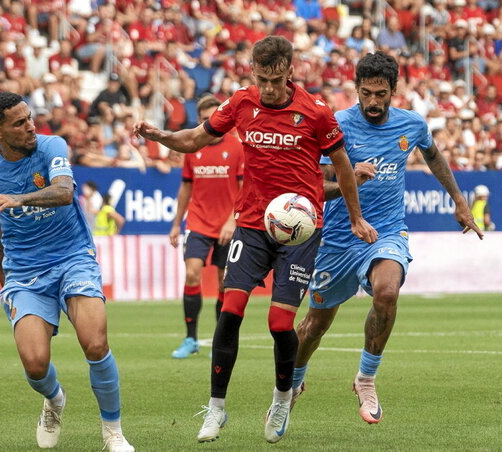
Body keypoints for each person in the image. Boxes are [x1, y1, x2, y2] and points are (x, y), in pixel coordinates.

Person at [134, 36, 376, 444]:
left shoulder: (316, 113)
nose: (266, 88)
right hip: (252, 223)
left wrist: (355, 217)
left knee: (280, 322)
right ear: (253, 72)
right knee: (230, 310)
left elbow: (342, 167)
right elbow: (195, 139)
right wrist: (160, 136)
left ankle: (282, 398)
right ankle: (216, 409)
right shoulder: (241, 103)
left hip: (301, 230)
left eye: (274, 80)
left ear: (290, 72)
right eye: (260, 79)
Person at [291, 51, 484, 424]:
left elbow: (434, 156)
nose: (373, 102)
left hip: (387, 232)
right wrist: (346, 174)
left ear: (394, 90)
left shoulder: (411, 125)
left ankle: (366, 378)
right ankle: (292, 385)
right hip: (338, 236)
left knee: (387, 291)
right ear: (356, 90)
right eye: (366, 93)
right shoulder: (336, 125)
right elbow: (313, 178)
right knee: (315, 324)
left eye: (381, 94)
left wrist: (459, 201)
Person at [0, 92, 134, 452]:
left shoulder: (51, 147)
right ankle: (54, 398)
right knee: (34, 364)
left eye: (30, 117)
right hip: (23, 270)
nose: (31, 126)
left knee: (95, 342)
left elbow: (63, 192)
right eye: (19, 123)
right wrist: (5, 278)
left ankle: (113, 431)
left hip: (72, 256)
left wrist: (20, 198)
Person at [168, 95, 244, 360]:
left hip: (227, 224)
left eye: (214, 118)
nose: (209, 124)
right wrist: (177, 223)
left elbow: (246, 187)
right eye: (204, 120)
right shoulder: (193, 148)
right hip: (198, 221)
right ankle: (191, 338)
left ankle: (219, 341)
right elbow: (186, 186)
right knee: (192, 274)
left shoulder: (237, 146)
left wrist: (233, 220)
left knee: (224, 283)